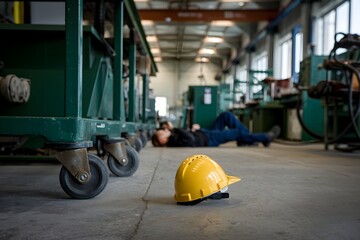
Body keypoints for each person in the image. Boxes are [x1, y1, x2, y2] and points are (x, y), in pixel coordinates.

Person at [152, 111, 281, 147]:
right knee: (237, 132)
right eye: (162, 133)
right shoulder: (173, 141)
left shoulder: (173, 136)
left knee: (226, 116)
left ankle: (245, 139)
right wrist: (174, 129)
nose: (164, 131)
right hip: (209, 139)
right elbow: (189, 139)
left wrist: (195, 128)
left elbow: (190, 135)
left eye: (162, 130)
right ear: (163, 141)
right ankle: (266, 137)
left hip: (204, 133)